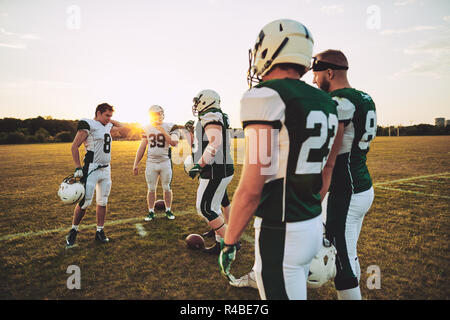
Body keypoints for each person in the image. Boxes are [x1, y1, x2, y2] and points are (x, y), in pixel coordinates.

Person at [218, 19, 338, 300]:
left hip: (281, 228)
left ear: (271, 49)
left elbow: (251, 187)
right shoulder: (327, 102)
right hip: (310, 221)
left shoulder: (266, 96)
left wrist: (230, 240)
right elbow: (328, 168)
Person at [312, 49, 377, 300]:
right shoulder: (364, 97)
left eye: (317, 75)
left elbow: (328, 153)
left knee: (341, 261)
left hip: (345, 191)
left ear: (330, 72)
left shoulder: (339, 101)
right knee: (348, 252)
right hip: (361, 184)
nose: (315, 81)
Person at [65, 103, 125, 247]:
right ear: (98, 113)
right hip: (91, 167)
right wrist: (78, 167)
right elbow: (74, 146)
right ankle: (73, 230)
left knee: (103, 201)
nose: (109, 119)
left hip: (106, 169)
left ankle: (99, 231)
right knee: (85, 202)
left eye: (111, 116)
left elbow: (123, 128)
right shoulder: (89, 124)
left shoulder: (107, 126)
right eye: (107, 115)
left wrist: (110, 120)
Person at [188, 90, 235, 254]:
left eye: (197, 101)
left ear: (206, 101)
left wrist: (199, 165)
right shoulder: (218, 114)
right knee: (213, 208)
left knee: (205, 208)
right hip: (220, 167)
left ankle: (231, 242)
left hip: (216, 169)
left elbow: (214, 144)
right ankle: (219, 243)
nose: (196, 105)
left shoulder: (211, 115)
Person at [133, 105, 179, 221]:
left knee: (166, 187)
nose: (157, 116)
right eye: (154, 114)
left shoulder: (171, 126)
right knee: (151, 188)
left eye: (159, 113)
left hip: (165, 161)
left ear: (163, 114)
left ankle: (168, 210)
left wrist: (161, 130)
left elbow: (174, 143)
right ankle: (151, 211)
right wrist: (136, 163)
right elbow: (142, 146)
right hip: (151, 162)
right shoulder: (146, 127)